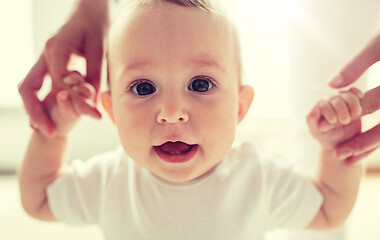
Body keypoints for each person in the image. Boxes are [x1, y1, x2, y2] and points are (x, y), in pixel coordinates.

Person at [18, 0, 373, 239]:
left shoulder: (258, 179)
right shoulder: (112, 180)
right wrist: (52, 135)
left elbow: (329, 210)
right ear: (110, 111)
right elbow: (39, 202)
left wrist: (335, 149)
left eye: (200, 84)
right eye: (143, 87)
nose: (172, 112)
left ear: (239, 106)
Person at [18, 0, 112, 137]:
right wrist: (55, 131)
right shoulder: (115, 160)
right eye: (143, 88)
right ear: (111, 107)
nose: (156, 117)